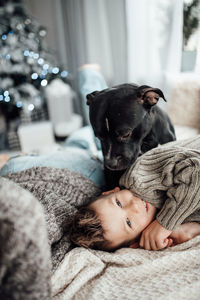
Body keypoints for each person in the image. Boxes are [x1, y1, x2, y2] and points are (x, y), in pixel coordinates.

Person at [68, 135, 200, 251]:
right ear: (135, 243)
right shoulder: (160, 225)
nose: (134, 206)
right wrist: (190, 230)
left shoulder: (139, 178)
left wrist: (166, 223)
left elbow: (195, 170)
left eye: (118, 203)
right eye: (129, 223)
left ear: (112, 191)